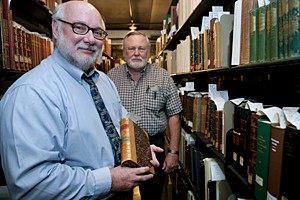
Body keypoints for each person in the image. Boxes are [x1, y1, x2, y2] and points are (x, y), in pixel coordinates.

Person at [0, 1, 163, 199]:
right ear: (56, 28)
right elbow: (33, 185)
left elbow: (122, 124)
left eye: (97, 32)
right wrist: (109, 180)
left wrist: (141, 149)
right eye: (79, 27)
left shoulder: (103, 81)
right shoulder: (31, 93)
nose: (90, 39)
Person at [107, 31, 183, 200]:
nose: (136, 53)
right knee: (121, 195)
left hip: (154, 148)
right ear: (124, 51)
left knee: (151, 193)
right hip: (121, 147)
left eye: (141, 48)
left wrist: (173, 152)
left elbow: (174, 115)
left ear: (149, 51)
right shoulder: (111, 77)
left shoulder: (162, 77)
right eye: (131, 48)